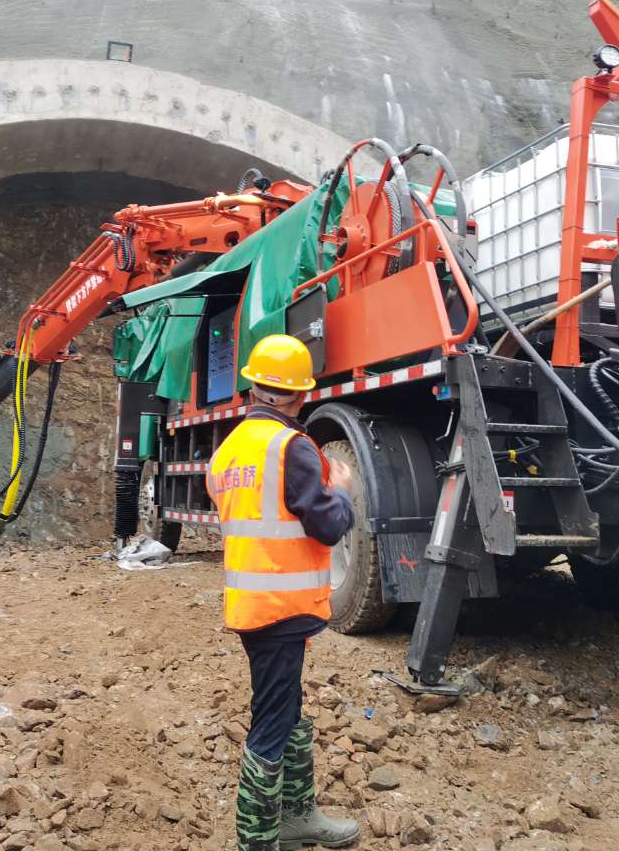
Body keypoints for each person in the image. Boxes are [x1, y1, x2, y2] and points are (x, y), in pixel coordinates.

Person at [207, 334, 361, 851]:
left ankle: (298, 816)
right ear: (299, 396)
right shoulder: (292, 446)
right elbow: (327, 526)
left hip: (255, 605)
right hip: (283, 608)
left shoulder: (229, 450)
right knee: (273, 722)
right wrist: (339, 489)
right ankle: (258, 839)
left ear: (253, 386)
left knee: (287, 709)